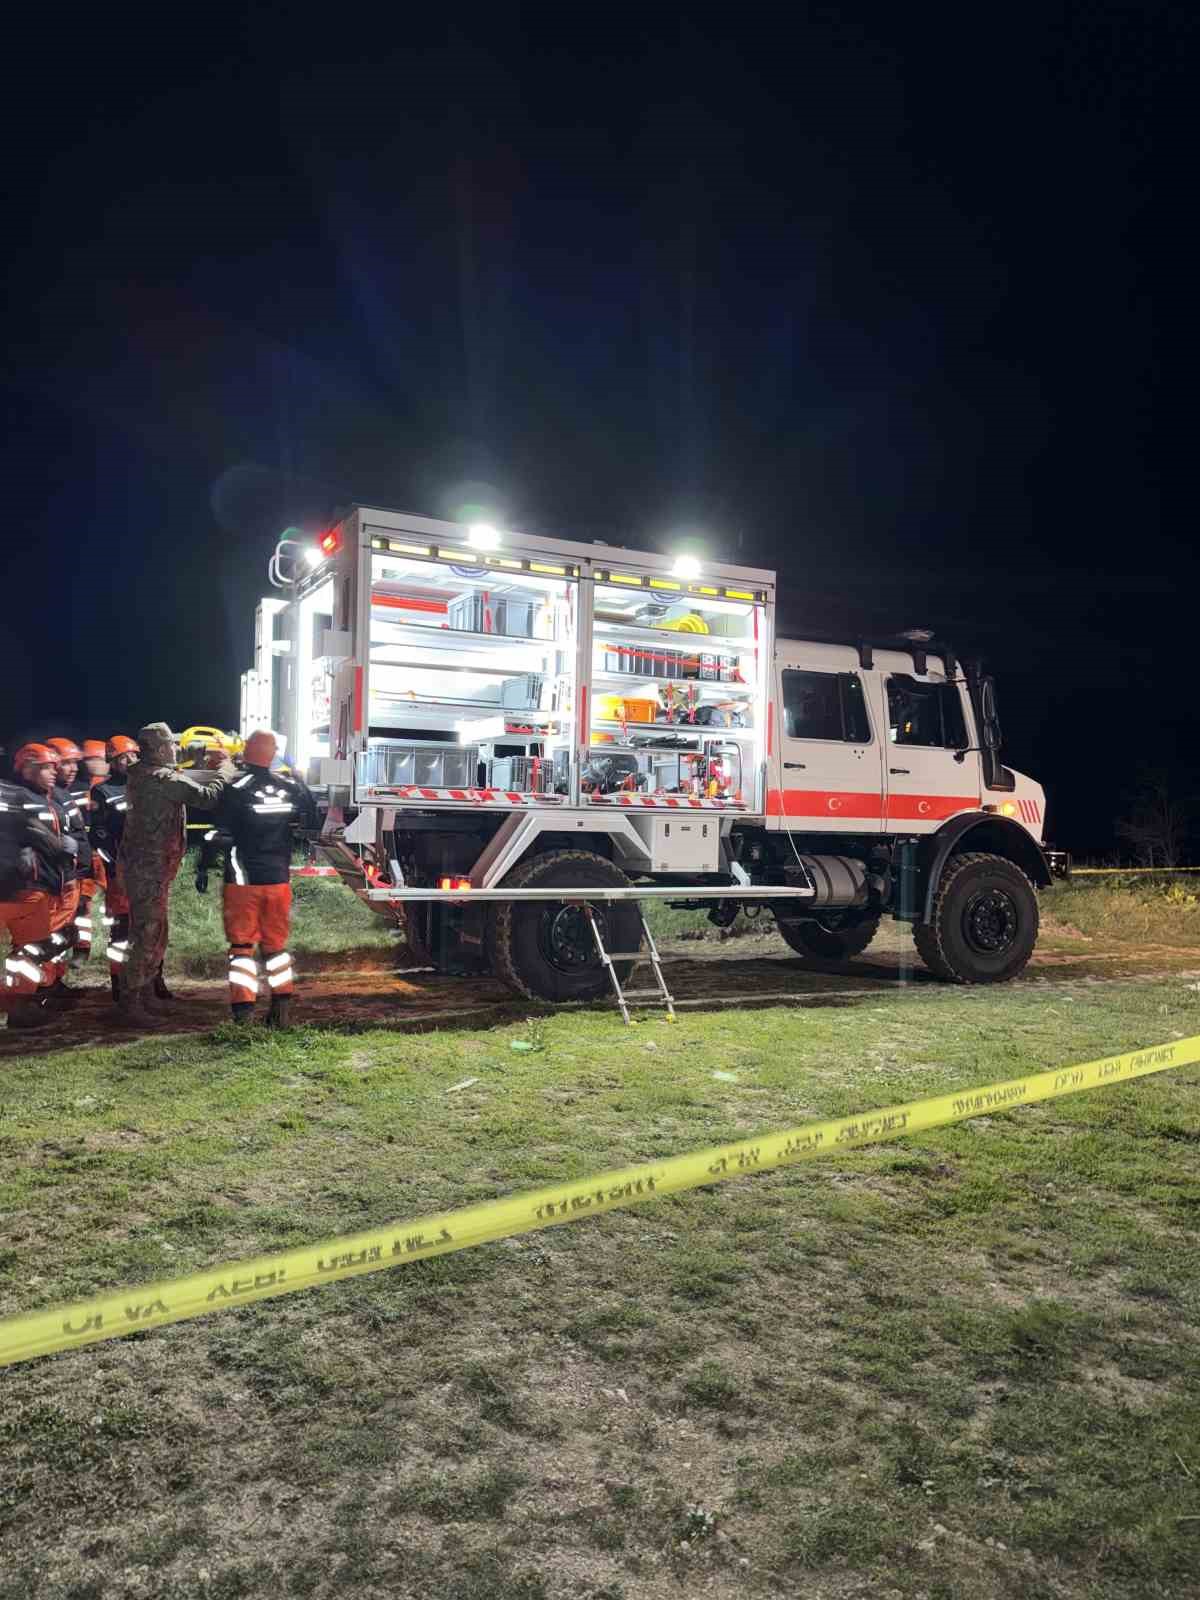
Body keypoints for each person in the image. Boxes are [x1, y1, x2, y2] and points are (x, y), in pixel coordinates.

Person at [195, 728, 318, 1026]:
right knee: (275, 946)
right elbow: (312, 813)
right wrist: (299, 777)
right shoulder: (290, 788)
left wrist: (203, 867)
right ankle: (282, 1011)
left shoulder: (236, 789)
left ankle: (244, 1015)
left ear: (246, 751)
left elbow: (217, 835)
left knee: (242, 948)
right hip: (279, 881)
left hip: (244, 882)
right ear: (272, 753)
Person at [119, 722, 235, 1022]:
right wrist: (226, 770)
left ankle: (145, 993)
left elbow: (178, 759)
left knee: (155, 932)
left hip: (152, 867)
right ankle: (131, 1003)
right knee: (145, 934)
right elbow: (207, 797)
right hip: (149, 868)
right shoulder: (159, 779)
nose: (176, 748)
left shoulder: (145, 772)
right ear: (158, 750)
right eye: (171, 744)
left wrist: (197, 752)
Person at [1, 745, 78, 1028]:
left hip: (30, 890)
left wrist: (59, 850)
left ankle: (20, 1005)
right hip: (16, 889)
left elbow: (31, 828)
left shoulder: (22, 796)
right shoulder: (15, 794)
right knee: (31, 947)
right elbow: (30, 829)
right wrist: (57, 847)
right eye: (46, 767)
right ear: (27, 768)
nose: (54, 772)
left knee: (33, 947)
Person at [91, 735, 138, 999]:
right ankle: (119, 983)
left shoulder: (146, 789)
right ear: (112, 760)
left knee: (150, 927)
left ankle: (153, 979)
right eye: (123, 757)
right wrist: (113, 867)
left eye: (133, 755)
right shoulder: (103, 791)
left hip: (147, 873)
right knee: (121, 928)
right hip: (120, 874)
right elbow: (98, 836)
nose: (129, 761)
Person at [45, 738, 95, 987]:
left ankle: (56, 980)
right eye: (67, 763)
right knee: (52, 931)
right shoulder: (48, 796)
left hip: (74, 875)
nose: (74, 768)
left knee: (63, 931)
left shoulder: (64, 794)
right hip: (59, 877)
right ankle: (44, 987)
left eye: (76, 763)